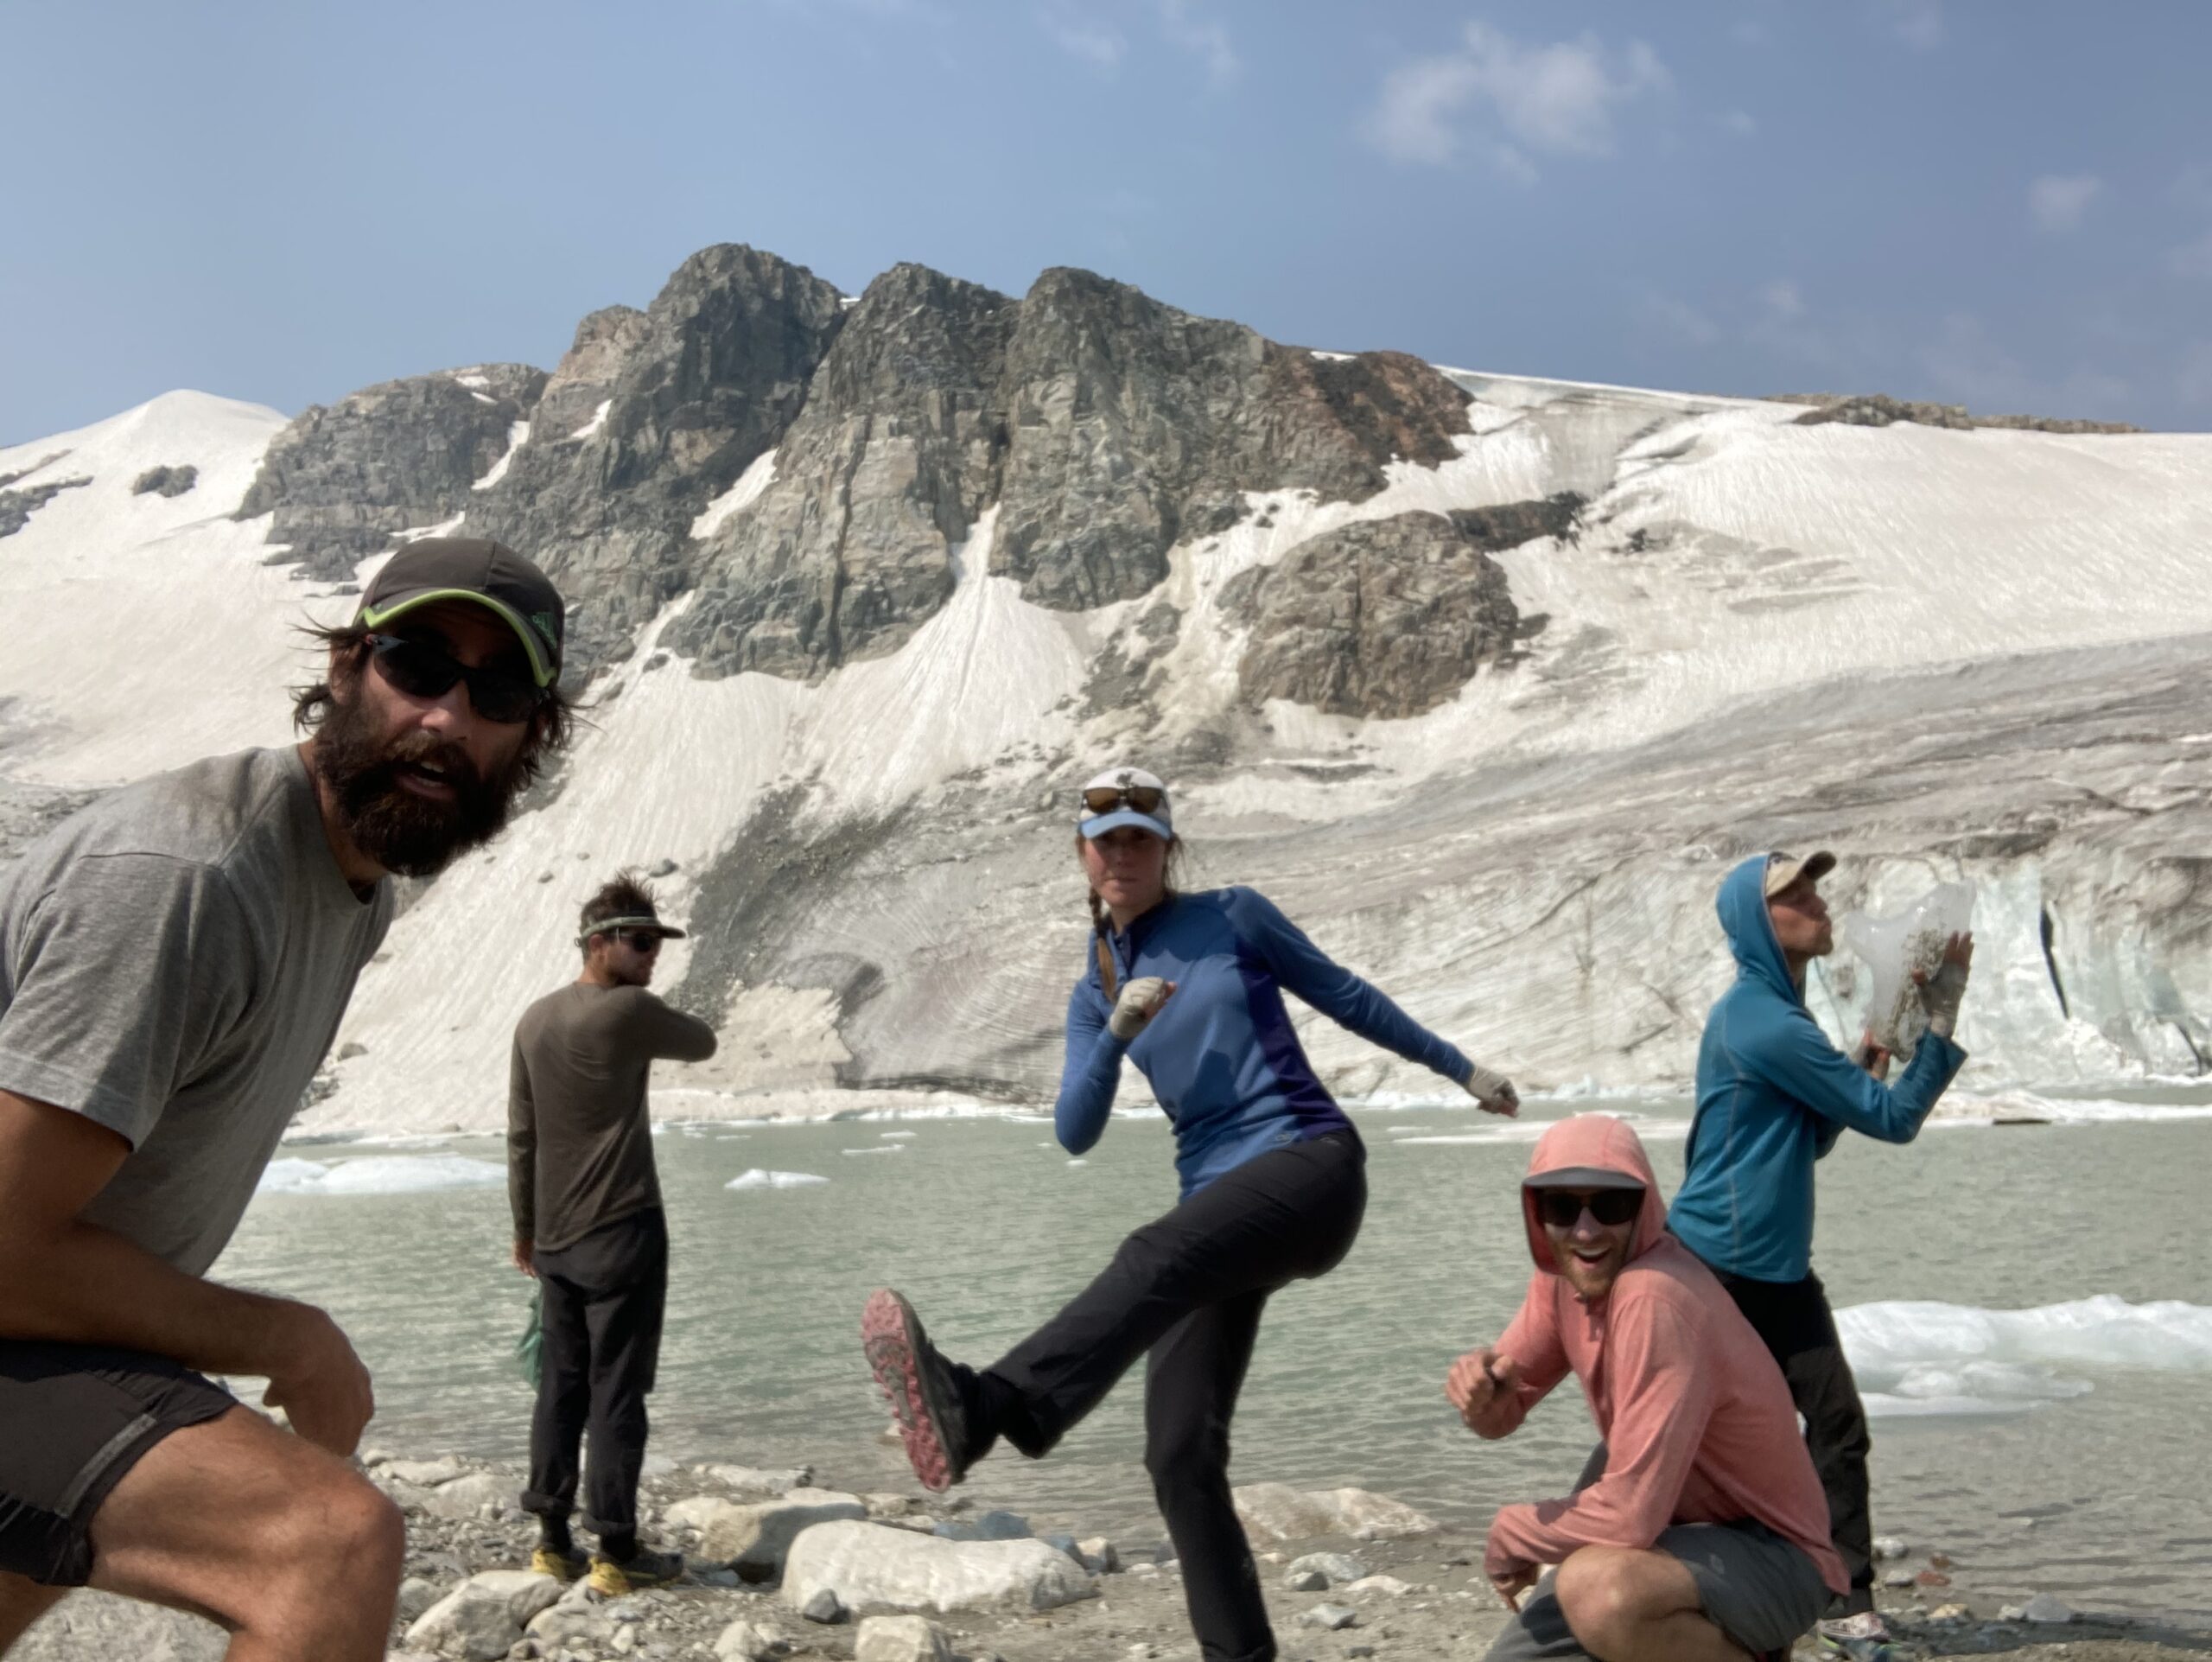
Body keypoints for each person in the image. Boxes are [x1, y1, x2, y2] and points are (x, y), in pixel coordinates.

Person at [0, 538, 572, 1659]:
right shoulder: (189, 879)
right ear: (349, 668)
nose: (447, 718)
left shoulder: (353, 884)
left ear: (530, 736)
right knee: (327, 1539)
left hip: (48, 1337)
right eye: (417, 663)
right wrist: (287, 1335)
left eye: (496, 690)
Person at [862, 765, 1518, 1662]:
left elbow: (1346, 995)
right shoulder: (1096, 985)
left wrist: (1460, 1069)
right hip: (1215, 1210)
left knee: (1150, 1257)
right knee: (1177, 1452)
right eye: (1107, 840)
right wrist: (1117, 1035)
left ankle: (989, 1406)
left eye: (1140, 836)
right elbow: (1074, 1131)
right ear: (1083, 856)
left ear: (1167, 847)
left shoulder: (1232, 916)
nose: (1123, 852)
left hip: (1308, 1168)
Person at [1668, 851, 1971, 1661]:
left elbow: (1814, 1135)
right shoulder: (1764, 1020)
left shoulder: (1772, 1013)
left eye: (1814, 883)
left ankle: (1837, 1599)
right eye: (1792, 892)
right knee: (1709, 1434)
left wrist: (1871, 1050)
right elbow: (1893, 1121)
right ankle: (1629, 1574)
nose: (1816, 898)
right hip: (1717, 1268)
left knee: (1827, 1424)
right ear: (1757, 924)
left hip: (1769, 1269)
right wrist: (1938, 1024)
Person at [1447, 1113, 1848, 1662]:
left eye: (1610, 1207)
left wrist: (1512, 1531)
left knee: (1597, 1591)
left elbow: (1630, 1514)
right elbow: (1502, 1413)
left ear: (1644, 1207)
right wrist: (1476, 1391)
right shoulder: (1560, 1281)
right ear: (1537, 1213)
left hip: (1774, 1557)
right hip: (1665, 1547)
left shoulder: (1654, 1295)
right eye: (1563, 1208)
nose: (1585, 1232)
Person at [509, 872, 716, 1596]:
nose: (652, 953)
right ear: (598, 944)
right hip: (624, 1229)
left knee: (559, 1386)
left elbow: (522, 1135)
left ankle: (551, 1540)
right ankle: (618, 1546)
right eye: (639, 940)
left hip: (559, 1239)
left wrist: (525, 1230)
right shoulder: (630, 1010)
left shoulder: (533, 1020)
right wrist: (647, 1006)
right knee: (617, 1391)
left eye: (656, 941)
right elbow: (705, 1041)